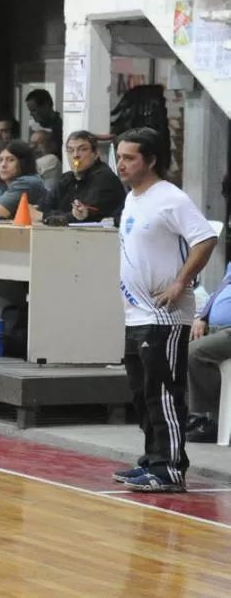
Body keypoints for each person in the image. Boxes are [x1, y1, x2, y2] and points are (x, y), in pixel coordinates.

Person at [113, 127, 217, 492]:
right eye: (119, 156)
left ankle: (170, 469)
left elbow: (205, 238)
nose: (121, 164)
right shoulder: (133, 198)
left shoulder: (170, 198)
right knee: (141, 393)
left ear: (151, 160)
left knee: (162, 393)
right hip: (136, 313)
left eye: (129, 158)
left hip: (165, 317)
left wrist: (180, 282)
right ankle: (151, 460)